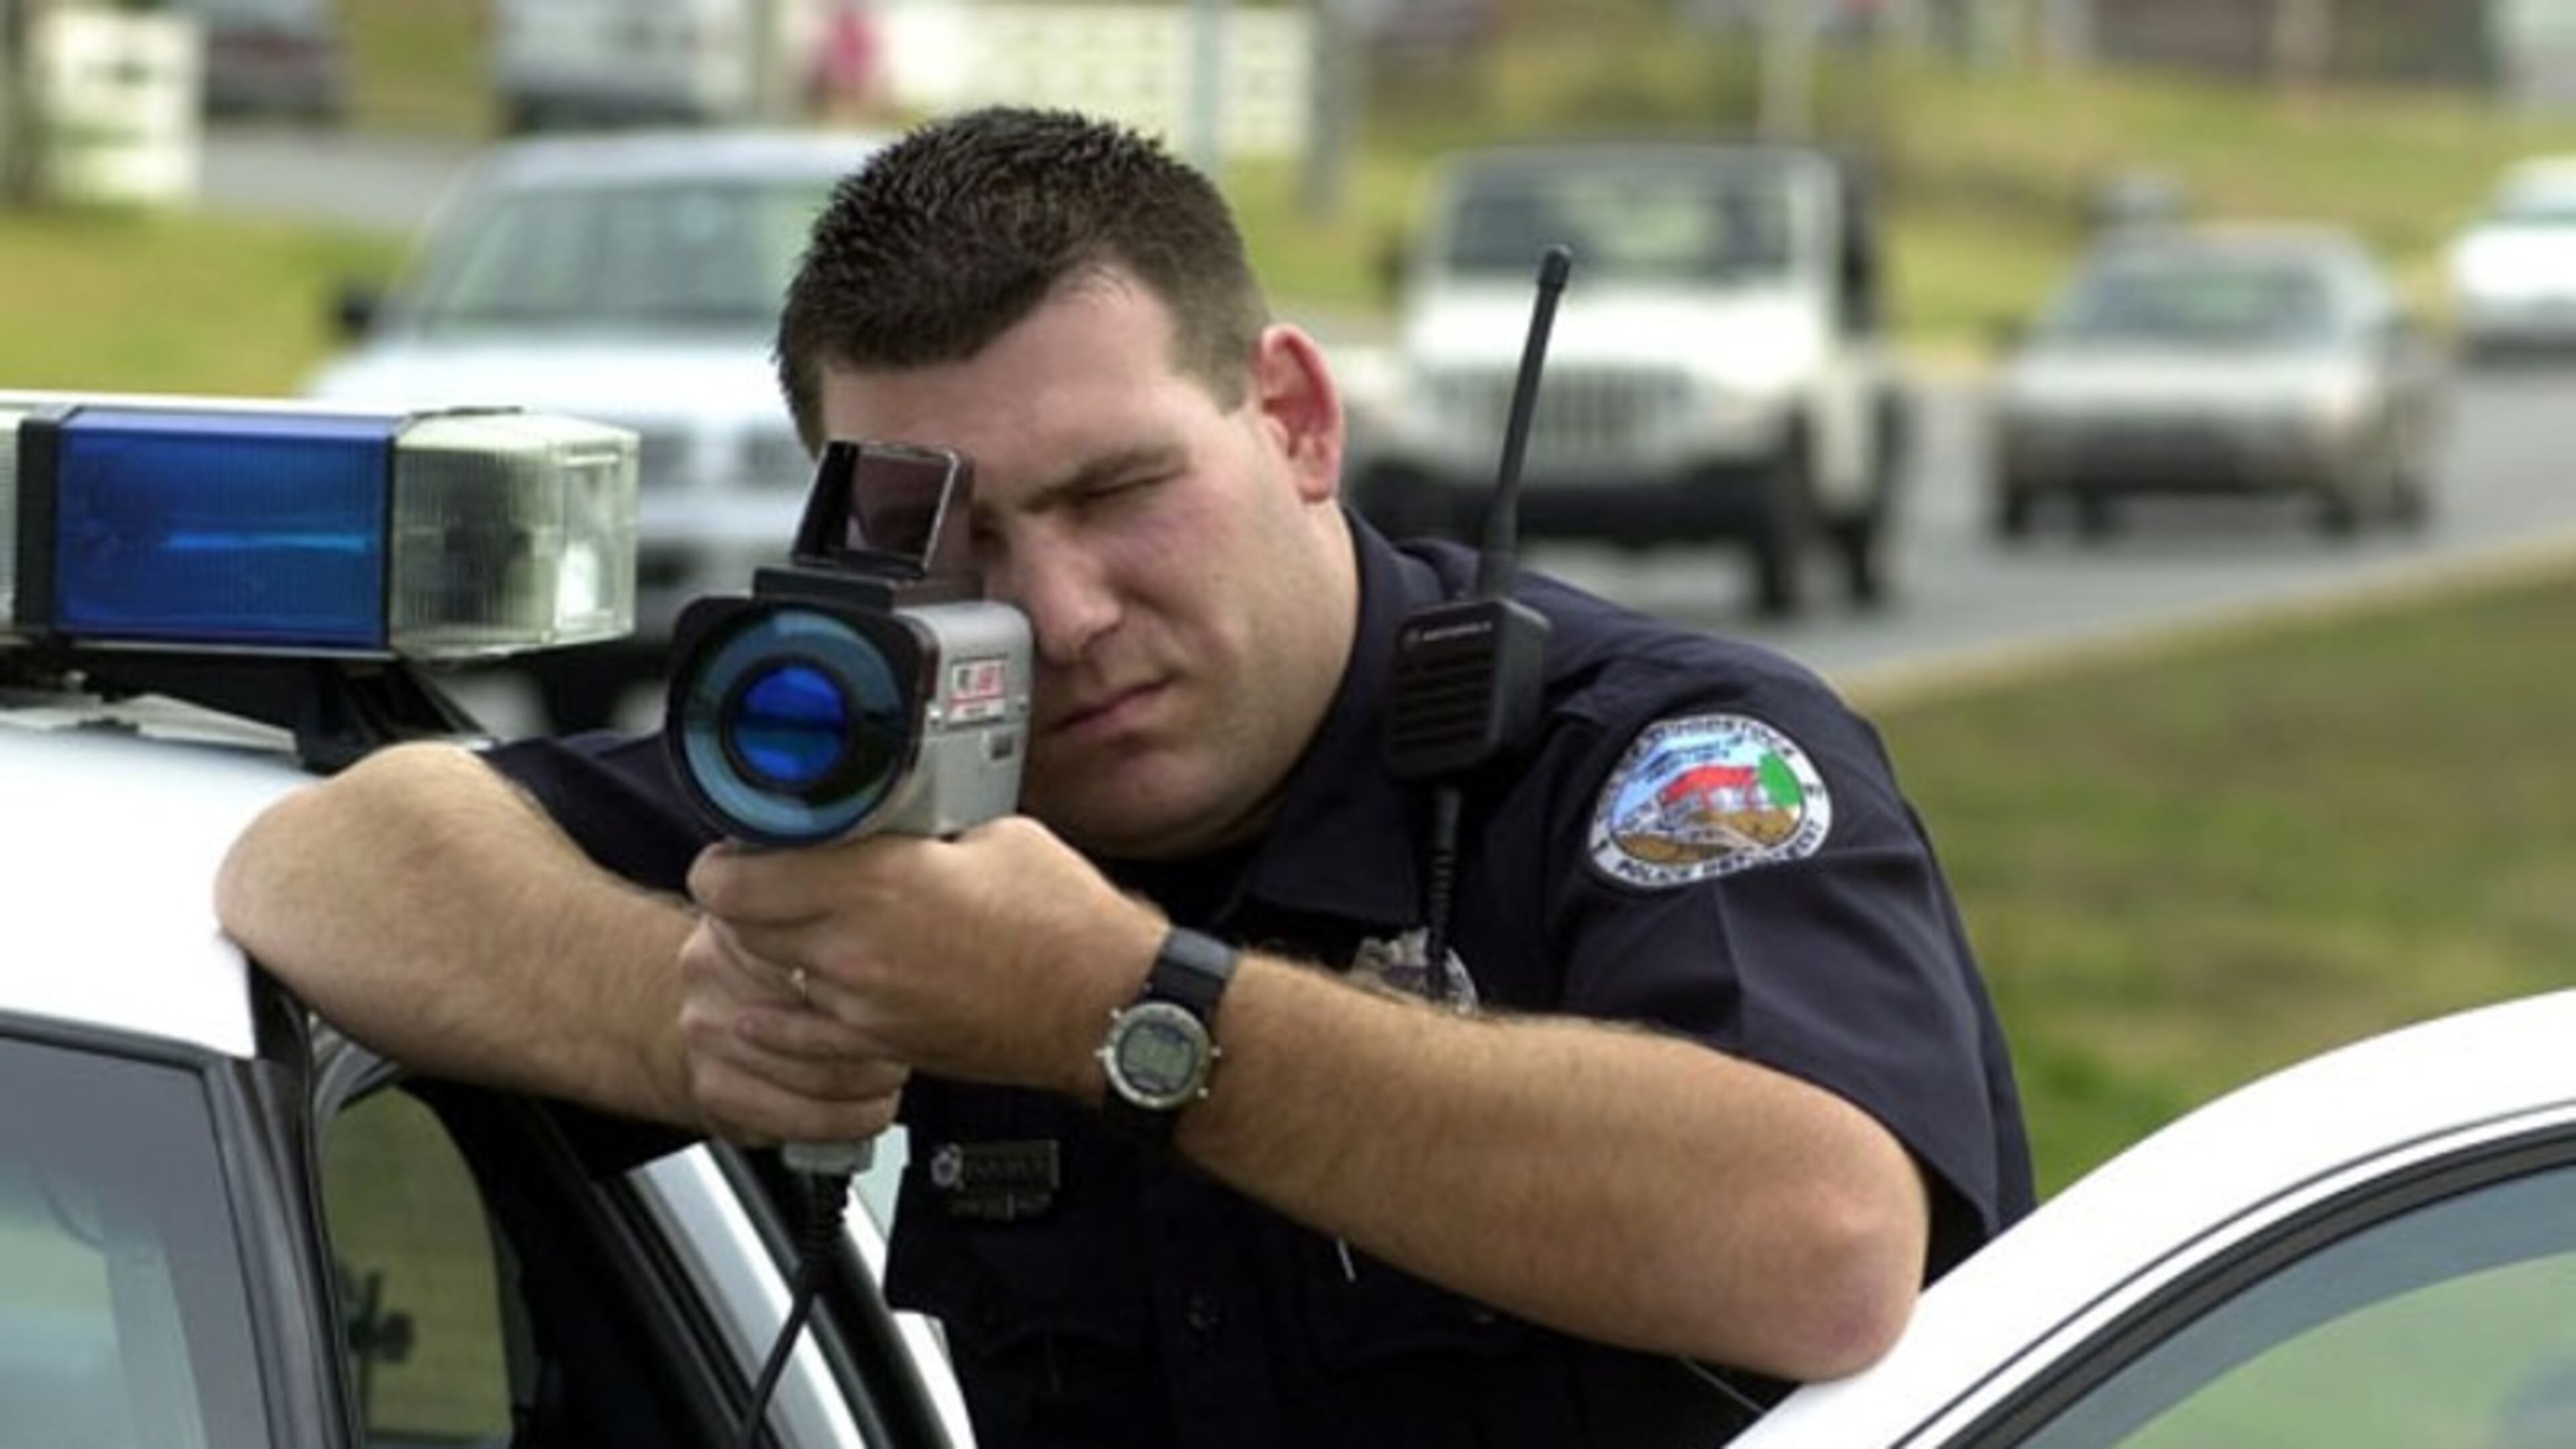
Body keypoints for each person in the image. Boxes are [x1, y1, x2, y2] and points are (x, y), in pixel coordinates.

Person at [216, 105, 2033, 1448]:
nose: (1061, 611)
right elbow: (328, 862)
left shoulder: (1648, 759)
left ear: (1296, 421)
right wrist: (695, 1019)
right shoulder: (910, 758)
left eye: (1113, 493)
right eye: (960, 535)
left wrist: (1114, 1012)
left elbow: (1817, 1244)